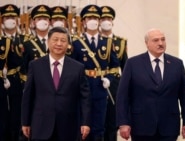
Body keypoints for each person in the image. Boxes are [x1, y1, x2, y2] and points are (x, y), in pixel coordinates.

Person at [116, 28, 185, 141]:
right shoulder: (133, 64)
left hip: (169, 127)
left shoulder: (176, 64)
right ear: (147, 43)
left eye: (163, 39)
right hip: (141, 126)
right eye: (156, 40)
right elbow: (122, 96)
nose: (160, 43)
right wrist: (123, 123)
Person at [21, 26, 91, 141]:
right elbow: (28, 96)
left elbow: (85, 98)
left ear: (68, 44)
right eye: (55, 39)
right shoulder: (35, 65)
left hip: (68, 126)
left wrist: (86, 122)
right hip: (40, 125)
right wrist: (25, 122)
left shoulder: (77, 68)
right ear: (48, 42)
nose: (59, 43)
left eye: (63, 40)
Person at [71, 4, 120, 141]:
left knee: (99, 126)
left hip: (100, 87)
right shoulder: (76, 43)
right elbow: (71, 67)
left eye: (95, 18)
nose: (93, 20)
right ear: (84, 21)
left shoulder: (108, 42)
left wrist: (109, 78)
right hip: (83, 87)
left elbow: (115, 66)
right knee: (83, 124)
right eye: (89, 18)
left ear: (99, 21)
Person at [0, 4, 30, 141]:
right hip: (1, 81)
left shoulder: (25, 40)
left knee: (17, 117)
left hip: (19, 81)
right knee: (2, 118)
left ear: (17, 19)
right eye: (7, 17)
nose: (10, 19)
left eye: (13, 17)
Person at [99, 5, 128, 141]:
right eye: (103, 18)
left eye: (108, 18)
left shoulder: (120, 42)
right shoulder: (93, 42)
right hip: (97, 81)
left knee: (112, 120)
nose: (106, 21)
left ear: (112, 21)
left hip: (115, 84)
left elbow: (125, 67)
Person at [20, 4, 51, 83]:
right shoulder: (27, 43)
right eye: (39, 19)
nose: (42, 21)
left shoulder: (56, 41)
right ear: (33, 22)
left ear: (49, 22)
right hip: (36, 83)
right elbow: (25, 69)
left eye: (45, 19)